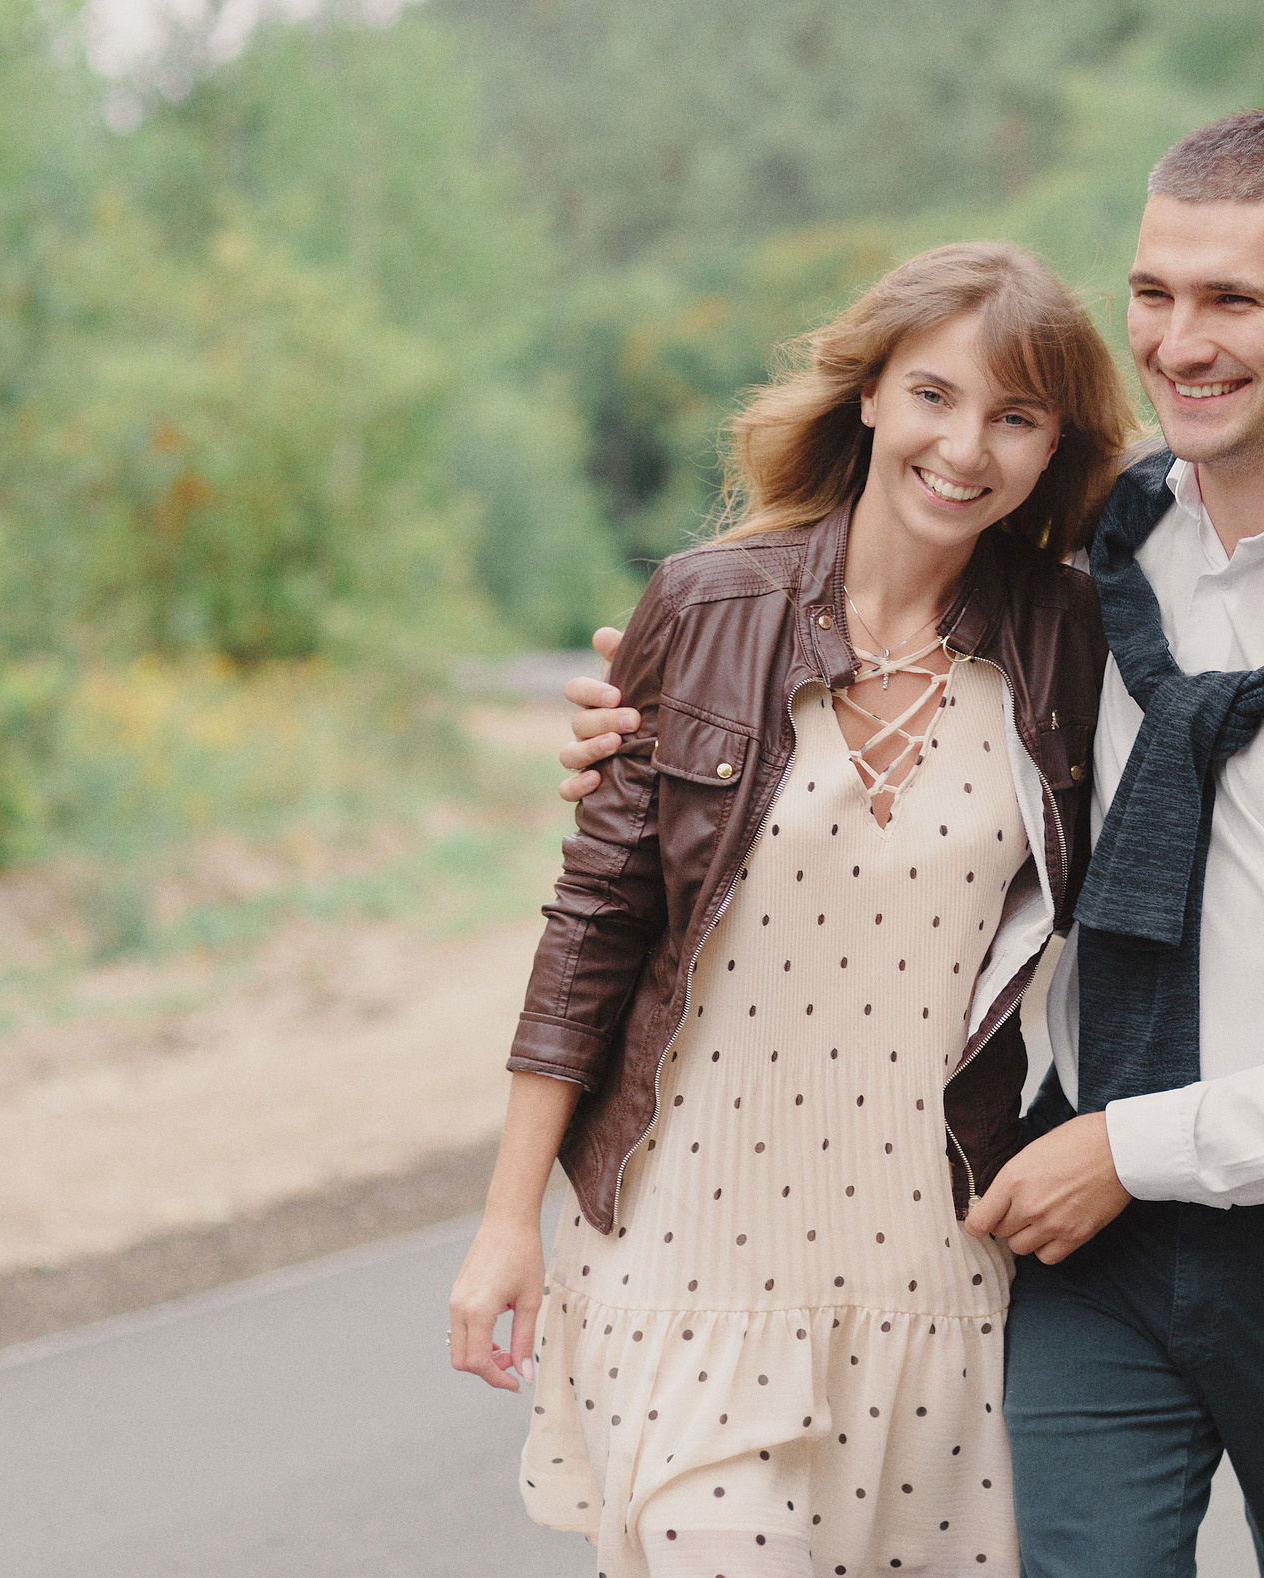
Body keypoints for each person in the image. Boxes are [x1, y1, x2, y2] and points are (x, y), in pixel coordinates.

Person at [560, 111, 1264, 1577]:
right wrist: (649, 718)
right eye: (1154, 293)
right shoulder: (1088, 563)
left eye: (1233, 298)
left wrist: (1130, 1145)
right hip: (1083, 1256)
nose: (1179, 341)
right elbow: (850, 625)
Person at [447, 240, 1133, 1578]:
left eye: (1014, 416)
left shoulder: (1078, 640)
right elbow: (594, 924)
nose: (965, 445)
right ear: (869, 393)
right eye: (934, 394)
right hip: (681, 1251)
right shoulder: (704, 609)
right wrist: (502, 1218)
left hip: (931, 1268)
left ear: (1054, 446)